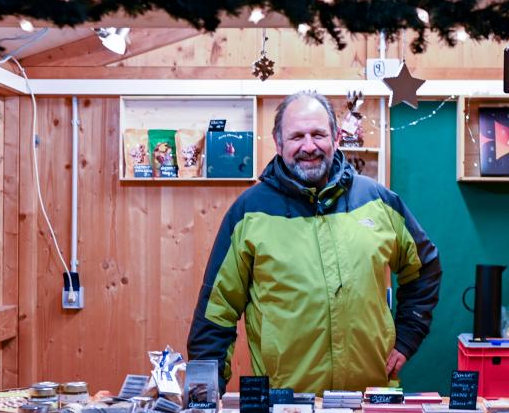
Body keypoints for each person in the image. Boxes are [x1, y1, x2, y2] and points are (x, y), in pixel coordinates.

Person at [187, 91, 441, 394]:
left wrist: (408, 334)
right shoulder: (249, 213)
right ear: (279, 144)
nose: (309, 146)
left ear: (335, 138)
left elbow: (424, 266)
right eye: (296, 137)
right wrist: (202, 394)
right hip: (285, 407)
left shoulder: (378, 202)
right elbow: (217, 309)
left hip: (369, 399)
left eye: (318, 134)